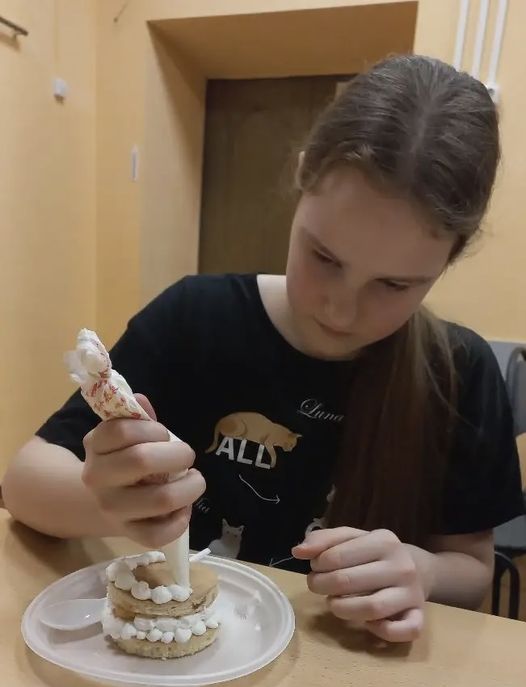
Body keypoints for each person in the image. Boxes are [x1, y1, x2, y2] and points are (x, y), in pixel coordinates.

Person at [3, 55, 523, 643]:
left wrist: (422, 571)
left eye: (394, 285)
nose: (340, 310)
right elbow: (23, 484)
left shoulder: (460, 372)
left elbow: (472, 569)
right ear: (302, 180)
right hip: (186, 661)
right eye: (324, 257)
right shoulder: (194, 318)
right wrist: (107, 504)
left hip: (346, 672)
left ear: (450, 259)